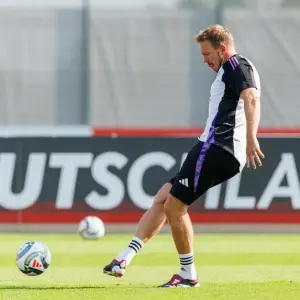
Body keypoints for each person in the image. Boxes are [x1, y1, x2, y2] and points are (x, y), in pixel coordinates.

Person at [103, 24, 264, 288]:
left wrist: (250, 137)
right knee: (163, 199)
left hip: (216, 147)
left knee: (175, 207)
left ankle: (188, 275)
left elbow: (251, 98)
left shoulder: (236, 65)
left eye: (207, 54)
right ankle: (124, 258)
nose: (205, 60)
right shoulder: (231, 68)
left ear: (222, 48)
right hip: (213, 148)